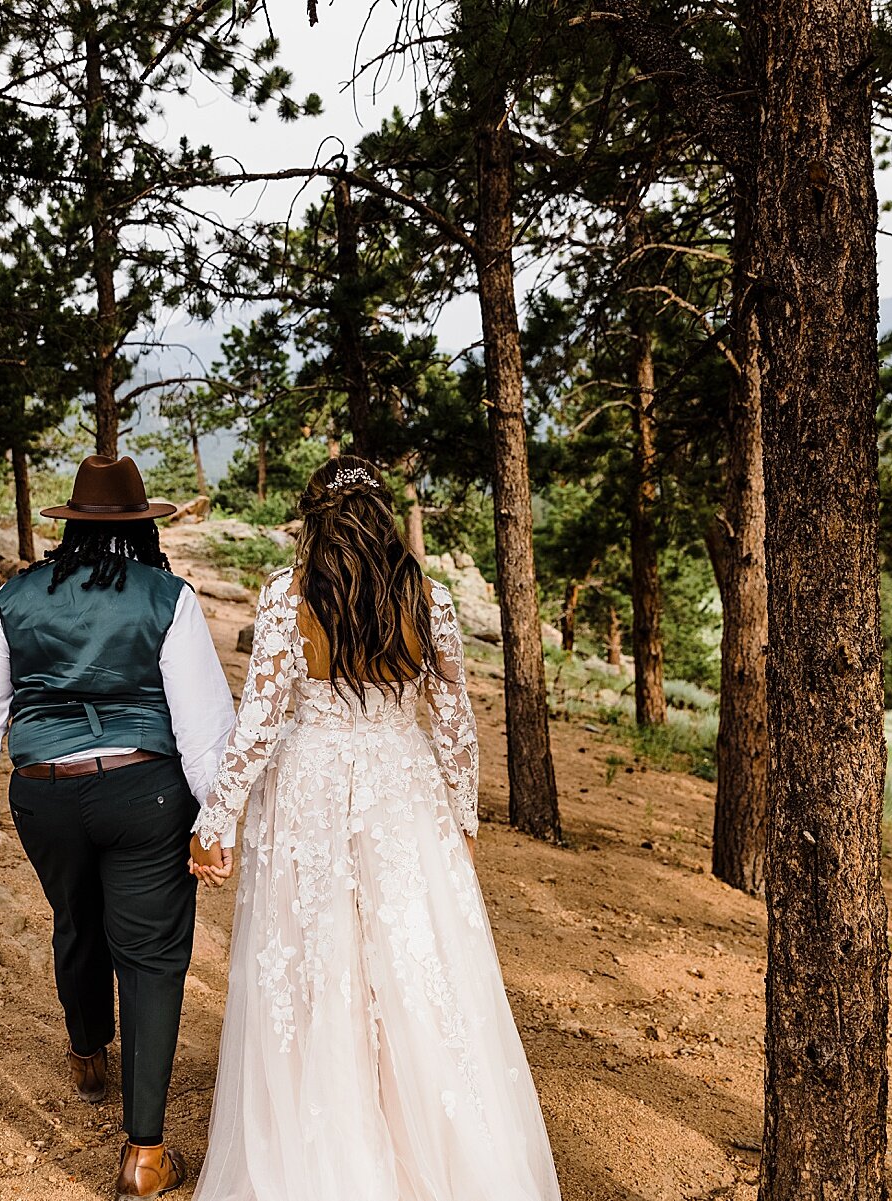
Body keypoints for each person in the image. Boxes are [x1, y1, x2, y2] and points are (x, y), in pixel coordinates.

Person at [187, 456, 562, 1200]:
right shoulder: (432, 600)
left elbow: (259, 724)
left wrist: (216, 818)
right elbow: (455, 727)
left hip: (310, 790)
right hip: (403, 792)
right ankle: (423, 1144)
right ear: (385, 516)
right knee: (409, 961)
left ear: (313, 518)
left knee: (320, 961)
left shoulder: (286, 596)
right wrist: (463, 819)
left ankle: (328, 1145)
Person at [0, 454, 233, 1200]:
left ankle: (85, 1053)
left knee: (76, 919)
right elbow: (205, 729)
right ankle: (143, 1153)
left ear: (70, 527)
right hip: (145, 794)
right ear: (143, 528)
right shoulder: (166, 596)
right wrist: (217, 819)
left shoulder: (15, 596)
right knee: (151, 954)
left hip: (43, 792)